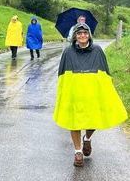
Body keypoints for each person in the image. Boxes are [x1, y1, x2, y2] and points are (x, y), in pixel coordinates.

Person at [53, 23, 128, 167]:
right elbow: (61, 75)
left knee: (93, 120)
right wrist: (63, 93)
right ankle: (78, 152)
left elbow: (105, 74)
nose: (82, 36)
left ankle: (87, 138)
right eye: (79, 33)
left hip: (92, 94)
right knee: (73, 121)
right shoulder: (68, 52)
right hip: (74, 94)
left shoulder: (98, 51)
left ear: (89, 35)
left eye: (85, 33)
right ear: (75, 36)